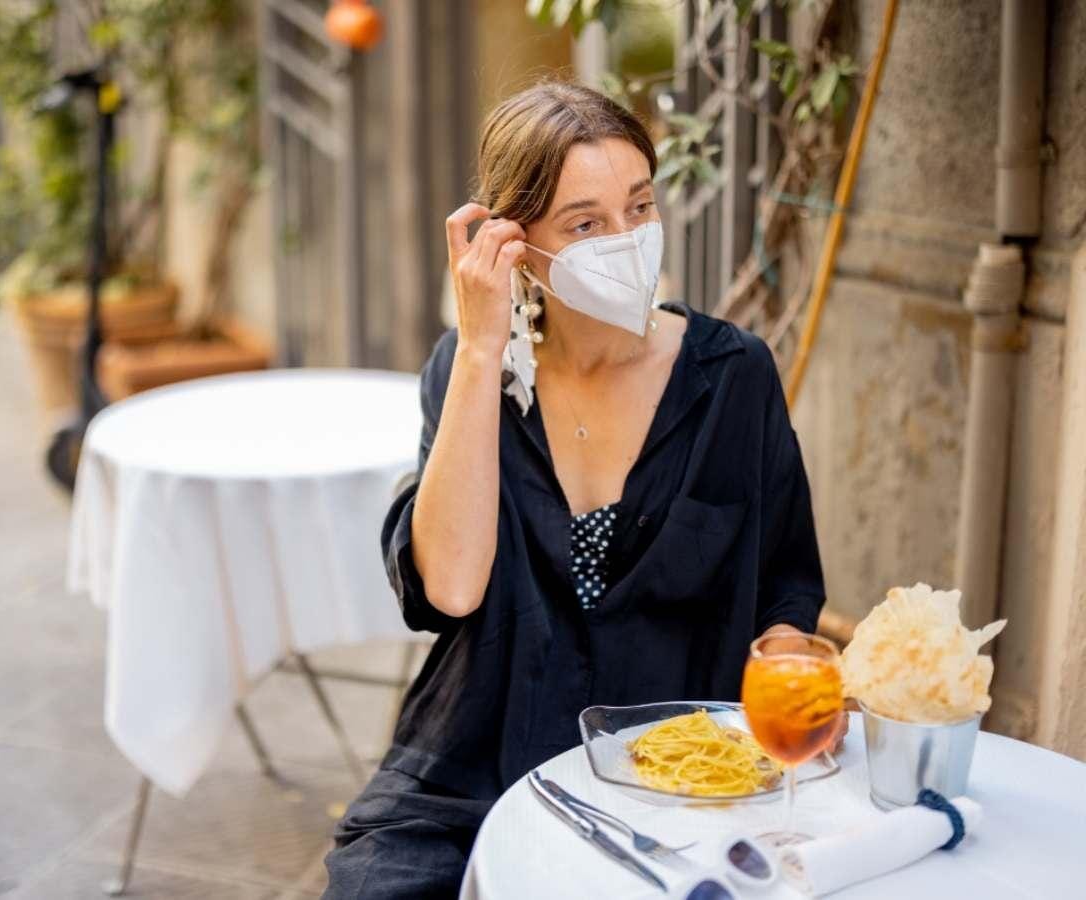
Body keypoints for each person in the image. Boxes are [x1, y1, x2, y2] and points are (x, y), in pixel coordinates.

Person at [322, 79, 837, 899]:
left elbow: (787, 578)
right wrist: (484, 351)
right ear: (514, 243)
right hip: (475, 770)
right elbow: (449, 587)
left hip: (677, 778)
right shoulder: (467, 374)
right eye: (587, 223)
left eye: (640, 207)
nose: (628, 238)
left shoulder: (732, 375)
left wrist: (785, 665)